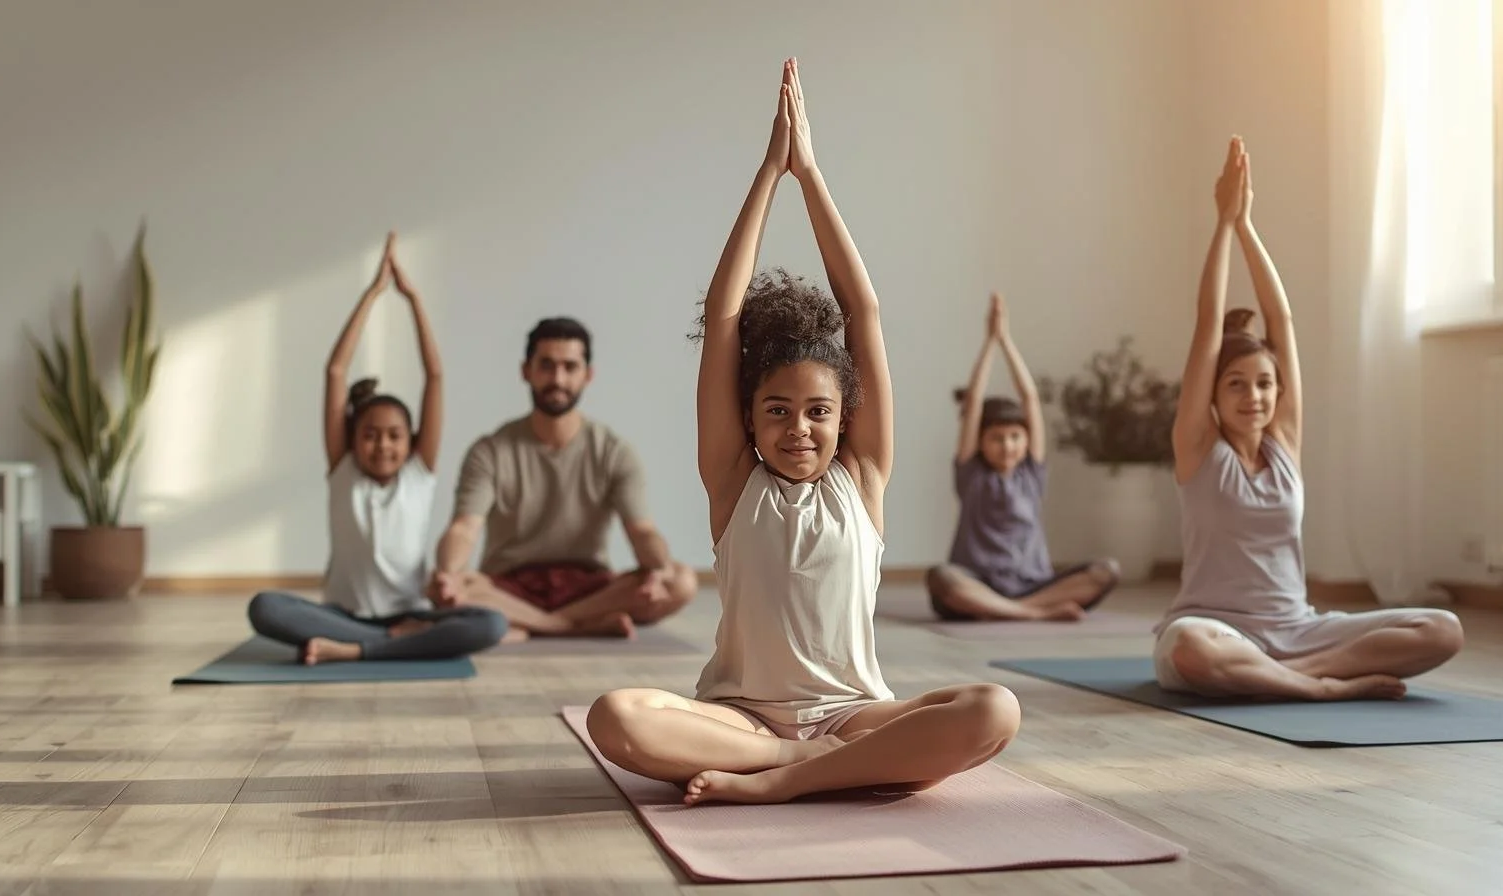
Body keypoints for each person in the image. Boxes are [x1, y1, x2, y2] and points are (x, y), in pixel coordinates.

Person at [584, 59, 1021, 807]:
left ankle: (781, 782)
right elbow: (723, 315)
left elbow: (864, 312)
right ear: (748, 418)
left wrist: (810, 175)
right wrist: (767, 174)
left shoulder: (864, 477)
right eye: (777, 410)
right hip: (741, 721)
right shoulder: (733, 480)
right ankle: (794, 762)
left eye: (818, 411)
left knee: (995, 710)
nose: (799, 429)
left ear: (844, 417)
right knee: (616, 716)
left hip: (854, 716)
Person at [1154, 137, 1464, 700]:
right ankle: (1323, 689)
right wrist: (1223, 225)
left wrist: (1248, 224)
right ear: (1214, 399)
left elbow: (1282, 319)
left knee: (1441, 629)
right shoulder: (1198, 447)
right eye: (1236, 384)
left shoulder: (1284, 445)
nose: (1255, 396)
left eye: (1265, 384)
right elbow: (1206, 328)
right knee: (1189, 650)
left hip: (1300, 630)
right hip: (1217, 629)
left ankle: (1294, 675)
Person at [248, 232, 508, 664]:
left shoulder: (418, 473)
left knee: (491, 624)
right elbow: (335, 371)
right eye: (370, 434)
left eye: (394, 435)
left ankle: (353, 652)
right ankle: (379, 645)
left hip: (412, 614)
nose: (382, 444)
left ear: (412, 442)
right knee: (265, 607)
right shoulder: (344, 470)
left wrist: (413, 300)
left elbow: (435, 377)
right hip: (344, 616)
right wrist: (372, 295)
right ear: (352, 438)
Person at [424, 315, 697, 639]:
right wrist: (449, 573)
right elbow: (464, 528)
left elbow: (642, 531)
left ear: (587, 375)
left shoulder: (614, 451)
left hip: (588, 588)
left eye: (570, 367)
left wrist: (658, 566)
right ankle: (575, 627)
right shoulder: (490, 450)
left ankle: (532, 625)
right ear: (526, 371)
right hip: (508, 586)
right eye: (547, 365)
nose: (558, 378)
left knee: (680, 581)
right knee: (439, 587)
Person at [925, 292, 1120, 622]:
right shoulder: (971, 474)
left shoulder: (1031, 473)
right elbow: (974, 402)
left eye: (1015, 437)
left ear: (1027, 439)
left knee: (1106, 570)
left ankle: (1017, 609)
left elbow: (1030, 398)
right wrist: (990, 343)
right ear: (981, 443)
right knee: (941, 578)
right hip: (979, 585)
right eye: (997, 438)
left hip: (1034, 585)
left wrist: (1006, 341)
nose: (1008, 445)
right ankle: (1030, 615)